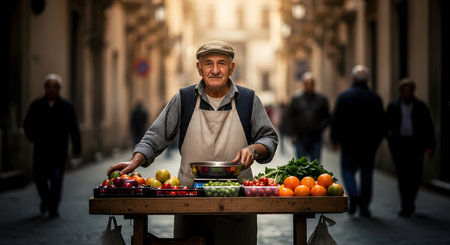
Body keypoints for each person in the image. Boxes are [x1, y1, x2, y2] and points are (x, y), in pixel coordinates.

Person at [107, 40, 278, 244]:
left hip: (237, 201)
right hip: (190, 201)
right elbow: (155, 136)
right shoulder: (184, 98)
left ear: (231, 68)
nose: (215, 70)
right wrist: (134, 162)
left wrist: (254, 149)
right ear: (199, 68)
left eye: (222, 63)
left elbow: (269, 137)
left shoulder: (248, 99)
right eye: (208, 63)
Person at [23, 73, 82, 218]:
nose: (51, 89)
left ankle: (53, 208)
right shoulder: (36, 105)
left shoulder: (67, 107)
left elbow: (74, 129)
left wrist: (76, 150)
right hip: (41, 151)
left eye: (55, 86)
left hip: (59, 152)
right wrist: (35, 139)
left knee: (56, 181)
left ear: (59, 88)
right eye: (49, 86)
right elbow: (27, 125)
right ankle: (46, 200)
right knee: (39, 178)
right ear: (45, 88)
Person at [329, 65, 384, 217]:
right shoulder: (375, 97)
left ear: (353, 79)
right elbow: (381, 122)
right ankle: (364, 207)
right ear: (367, 80)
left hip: (348, 143)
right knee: (367, 174)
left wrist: (334, 139)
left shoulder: (344, 96)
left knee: (347, 171)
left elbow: (336, 119)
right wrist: (377, 142)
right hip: (369, 144)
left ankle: (353, 194)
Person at [386, 78, 435, 217]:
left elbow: (428, 127)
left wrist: (431, 145)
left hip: (416, 145)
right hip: (400, 145)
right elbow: (386, 125)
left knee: (415, 175)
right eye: (403, 91)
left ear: (412, 91)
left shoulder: (421, 106)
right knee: (402, 176)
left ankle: (411, 200)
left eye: (407, 91)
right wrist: (391, 139)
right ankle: (405, 205)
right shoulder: (393, 106)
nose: (405, 94)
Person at [286, 72, 330, 162]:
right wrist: (291, 134)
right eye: (307, 84)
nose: (309, 86)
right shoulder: (296, 99)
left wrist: (320, 127)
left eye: (311, 84)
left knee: (315, 164)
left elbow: (327, 117)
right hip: (300, 138)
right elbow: (290, 117)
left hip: (316, 138)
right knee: (301, 165)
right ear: (303, 84)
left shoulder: (321, 99)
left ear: (314, 85)